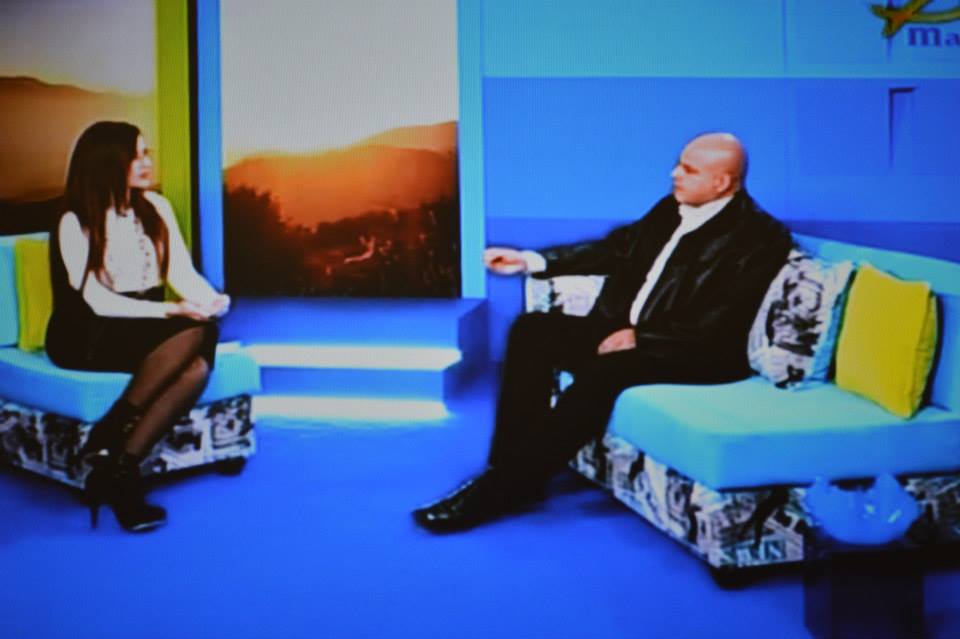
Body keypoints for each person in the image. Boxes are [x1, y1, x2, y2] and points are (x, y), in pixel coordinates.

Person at [413, 132, 793, 531]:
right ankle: (508, 468)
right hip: (631, 332)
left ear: (721, 182)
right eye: (678, 164)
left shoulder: (758, 238)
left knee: (603, 373)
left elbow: (721, 319)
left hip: (692, 352)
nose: (674, 174)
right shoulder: (671, 208)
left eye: (688, 169)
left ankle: (501, 489)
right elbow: (616, 248)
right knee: (533, 330)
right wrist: (531, 260)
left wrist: (642, 338)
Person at [46, 121, 230, 532]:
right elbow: (96, 300)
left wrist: (210, 301)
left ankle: (119, 465)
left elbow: (181, 272)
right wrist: (171, 311)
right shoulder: (74, 218)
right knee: (197, 336)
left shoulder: (155, 207)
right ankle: (115, 438)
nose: (147, 163)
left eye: (147, 154)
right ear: (108, 163)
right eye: (136, 156)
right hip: (86, 331)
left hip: (138, 323)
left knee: (199, 355)